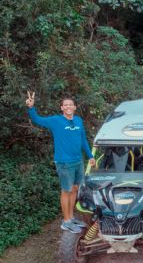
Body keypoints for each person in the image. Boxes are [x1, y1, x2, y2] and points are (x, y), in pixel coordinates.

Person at [25, 91, 95, 233]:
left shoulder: (78, 121)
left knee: (75, 189)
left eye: (71, 104)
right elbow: (38, 119)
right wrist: (31, 108)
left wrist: (90, 156)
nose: (68, 106)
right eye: (65, 105)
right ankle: (66, 221)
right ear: (62, 108)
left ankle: (71, 217)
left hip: (78, 161)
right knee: (66, 190)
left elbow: (83, 140)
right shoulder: (56, 121)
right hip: (64, 162)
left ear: (74, 107)